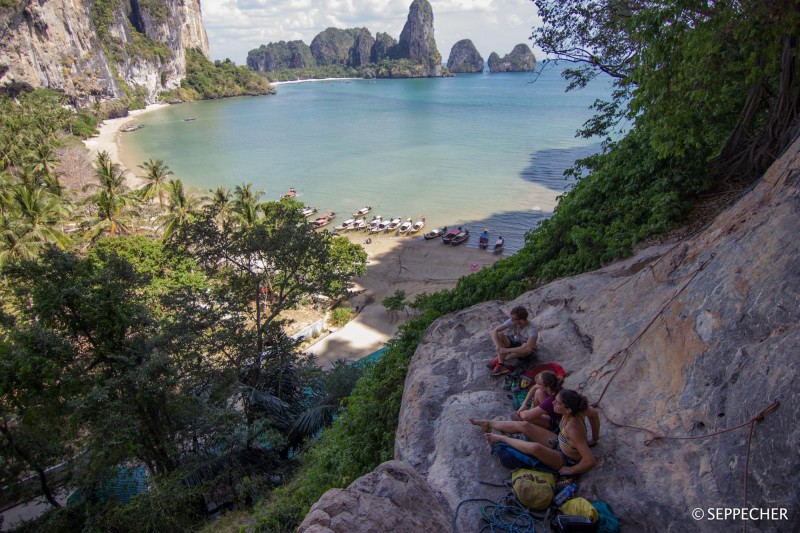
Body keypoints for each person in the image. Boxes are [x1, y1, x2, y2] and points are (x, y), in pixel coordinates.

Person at [470, 389, 600, 476]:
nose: (553, 402)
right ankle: (488, 422)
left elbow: (590, 460)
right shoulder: (580, 409)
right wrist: (594, 439)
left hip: (566, 459)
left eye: (558, 402)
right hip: (559, 442)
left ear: (568, 410)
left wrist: (571, 470)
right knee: (525, 425)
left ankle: (503, 439)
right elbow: (594, 415)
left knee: (535, 448)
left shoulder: (573, 428)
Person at [489, 306, 538, 375]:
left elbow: (528, 348)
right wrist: (498, 346)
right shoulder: (513, 321)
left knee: (525, 347)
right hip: (516, 342)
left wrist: (506, 350)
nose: (511, 320)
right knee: (499, 334)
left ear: (521, 320)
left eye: (514, 319)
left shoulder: (532, 329)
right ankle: (501, 364)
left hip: (526, 350)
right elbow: (494, 331)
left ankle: (503, 359)